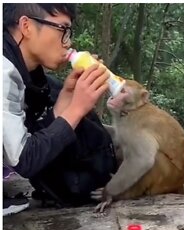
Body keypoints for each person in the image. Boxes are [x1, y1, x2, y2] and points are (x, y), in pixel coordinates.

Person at [3, 3, 118, 215]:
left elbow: (28, 140)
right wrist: (76, 109)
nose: (69, 42)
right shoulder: (3, 71)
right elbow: (24, 159)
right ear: (26, 26)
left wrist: (65, 101)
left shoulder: (25, 74)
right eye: (63, 30)